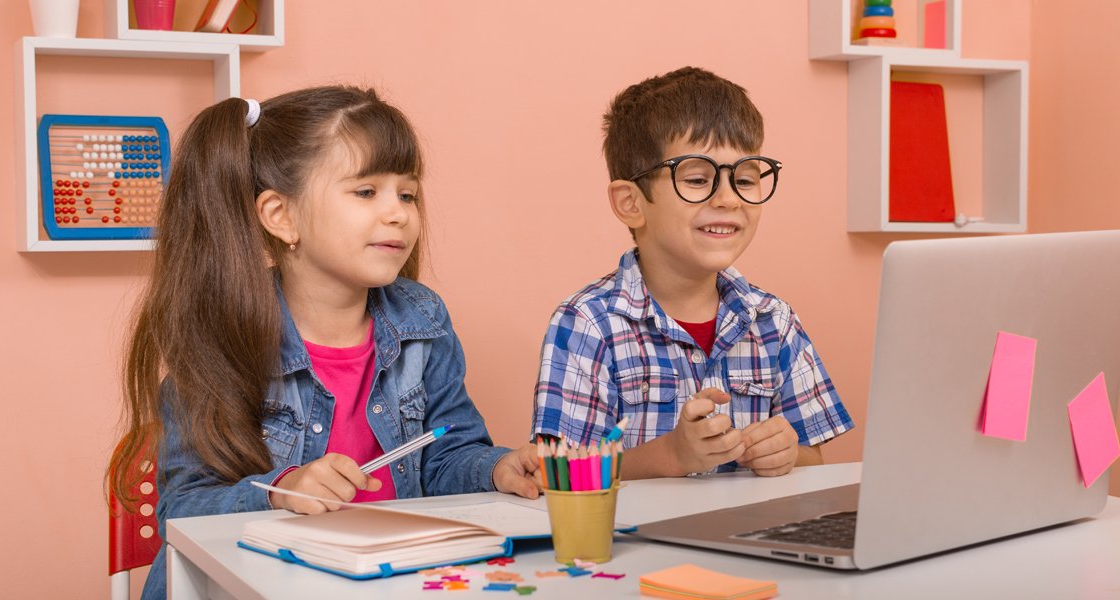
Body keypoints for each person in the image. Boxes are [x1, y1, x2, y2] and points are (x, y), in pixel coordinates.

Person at [107, 86, 541, 599]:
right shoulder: (224, 334)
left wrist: (496, 467)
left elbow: (446, 457)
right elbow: (184, 507)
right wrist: (280, 492)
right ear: (281, 216)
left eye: (407, 193)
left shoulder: (424, 320)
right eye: (366, 192)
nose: (399, 212)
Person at [532, 67, 854, 480]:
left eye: (744, 179)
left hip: (745, 538)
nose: (728, 199)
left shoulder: (775, 321)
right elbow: (559, 473)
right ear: (631, 202)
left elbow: (811, 459)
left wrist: (785, 453)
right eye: (698, 179)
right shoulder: (588, 324)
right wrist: (670, 456)